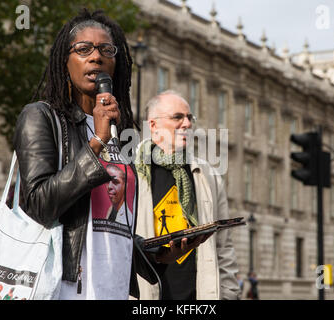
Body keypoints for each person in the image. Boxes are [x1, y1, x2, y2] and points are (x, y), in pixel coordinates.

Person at [13, 9, 199, 300]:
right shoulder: (41, 117)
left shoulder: (121, 132)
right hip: (63, 290)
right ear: (66, 61)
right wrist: (96, 142)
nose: (96, 56)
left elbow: (111, 229)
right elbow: (38, 205)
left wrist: (155, 252)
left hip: (114, 290)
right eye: (83, 49)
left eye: (106, 50)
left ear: (117, 65)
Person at [134, 90, 241, 300]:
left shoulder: (208, 175)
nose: (187, 124)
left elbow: (224, 246)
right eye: (177, 117)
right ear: (153, 125)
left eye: (189, 117)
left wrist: (228, 295)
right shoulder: (130, 173)